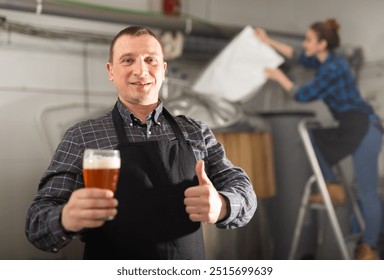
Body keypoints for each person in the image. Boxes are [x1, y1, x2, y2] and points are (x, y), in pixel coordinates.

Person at [25, 25, 257, 260]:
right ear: (110, 70)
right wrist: (65, 218)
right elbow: (36, 223)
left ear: (164, 69)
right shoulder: (83, 136)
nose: (141, 70)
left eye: (151, 60)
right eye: (128, 60)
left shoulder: (196, 132)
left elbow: (243, 188)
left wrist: (223, 205)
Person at [255, 19, 384, 260]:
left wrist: (278, 77)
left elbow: (302, 95)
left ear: (322, 44)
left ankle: (370, 247)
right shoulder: (326, 60)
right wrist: (267, 41)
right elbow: (296, 55)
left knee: (367, 193)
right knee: (314, 138)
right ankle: (333, 186)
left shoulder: (332, 68)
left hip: (365, 128)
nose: (305, 44)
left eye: (309, 40)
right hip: (351, 125)